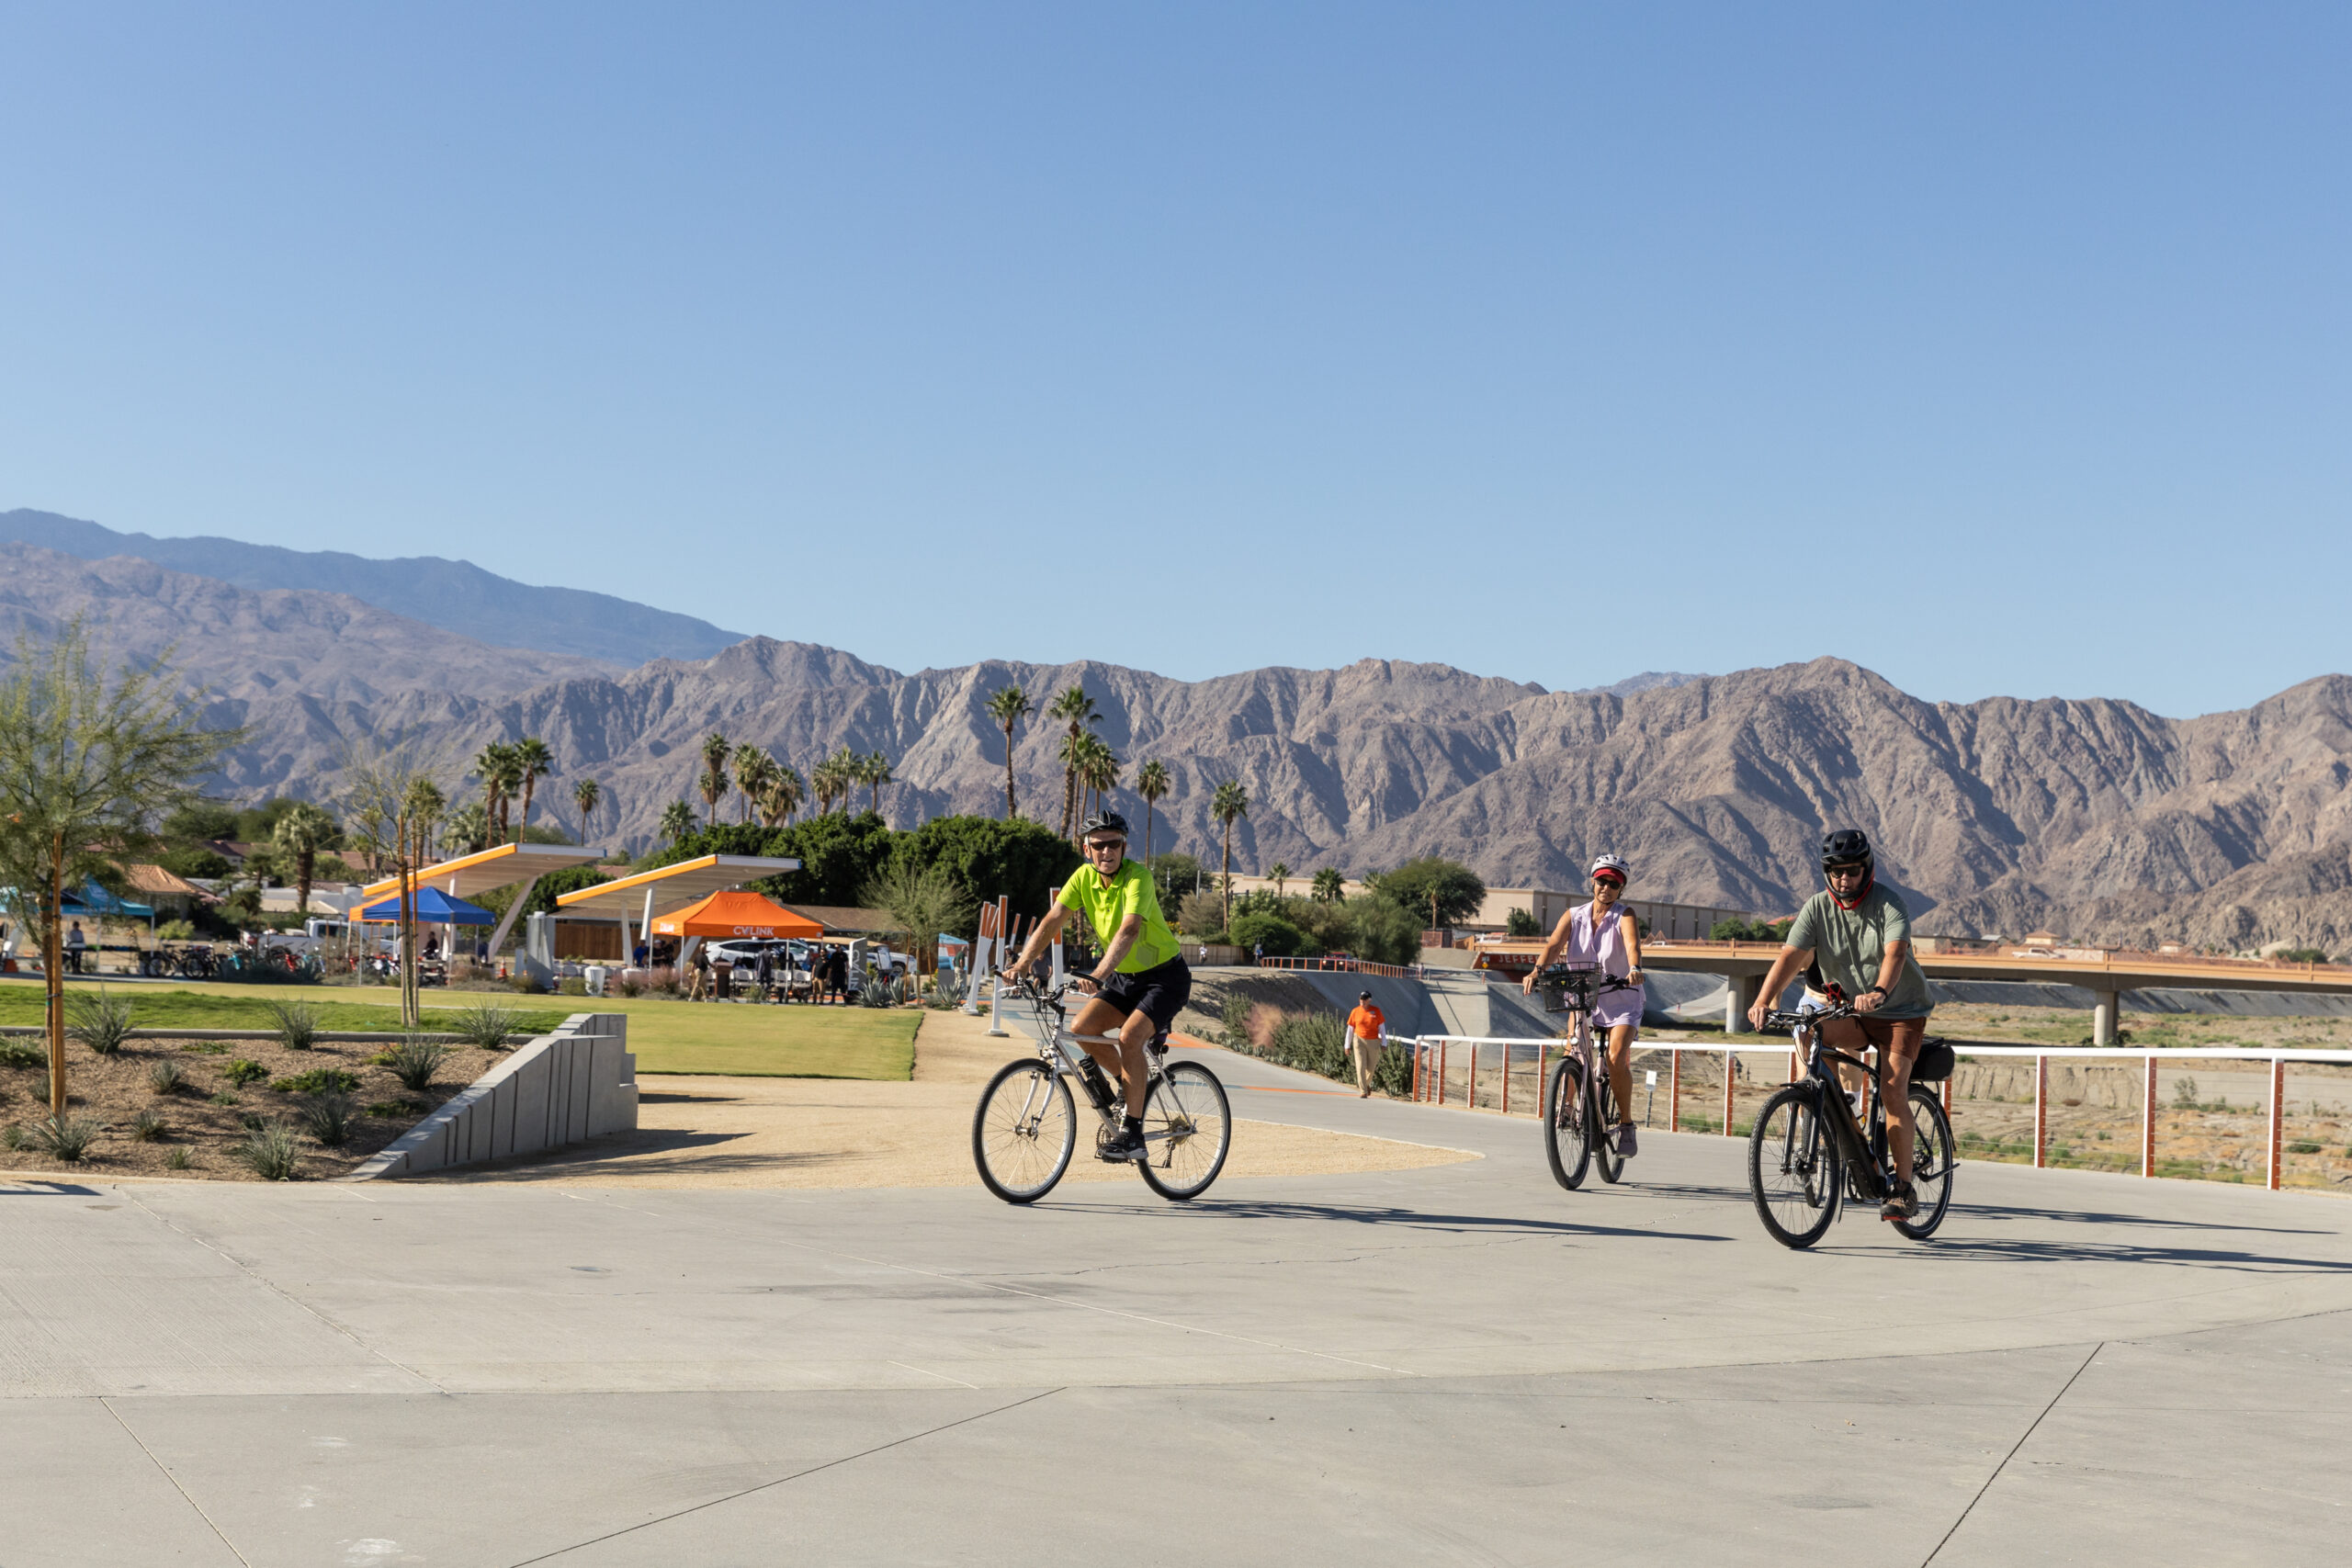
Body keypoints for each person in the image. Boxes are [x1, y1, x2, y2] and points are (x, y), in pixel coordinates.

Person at [1747, 829, 1934, 1222]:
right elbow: (1790, 956)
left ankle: (1903, 1189)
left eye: (1851, 870)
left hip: (1900, 1011)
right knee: (1809, 1032)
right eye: (1836, 872)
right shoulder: (1816, 907)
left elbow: (1895, 954)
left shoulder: (1889, 904)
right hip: (1853, 1012)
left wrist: (1880, 991)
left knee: (1892, 1090)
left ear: (1867, 869)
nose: (1843, 879)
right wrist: (1764, 999)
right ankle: (1847, 1130)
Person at [1001, 812, 1191, 1163]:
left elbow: (1129, 930)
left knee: (1129, 1037)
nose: (1107, 851)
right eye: (1099, 845)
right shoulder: (1083, 878)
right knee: (1081, 1029)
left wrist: (1099, 974)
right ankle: (1129, 1087)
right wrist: (1022, 965)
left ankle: (1133, 1136)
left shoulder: (1138, 877)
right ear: (1086, 849)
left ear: (1123, 846)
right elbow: (1052, 920)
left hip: (1165, 977)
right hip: (1125, 978)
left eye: (1114, 843)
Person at [1521, 854, 1647, 1157]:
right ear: (1593, 881)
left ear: (1621, 888)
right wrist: (1536, 972)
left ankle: (1626, 1125)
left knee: (1615, 1057)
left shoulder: (1624, 915)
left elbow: (1633, 945)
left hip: (1622, 996)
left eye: (1614, 883)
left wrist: (1634, 968)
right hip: (1583, 995)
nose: (1606, 887)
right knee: (1573, 1050)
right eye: (1602, 881)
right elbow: (1554, 945)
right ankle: (1567, 1107)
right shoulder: (1574, 915)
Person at [1344, 989, 1386, 1098]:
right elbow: (1350, 1029)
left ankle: (1366, 1084)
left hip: (1373, 1041)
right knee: (1360, 1066)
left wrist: (1384, 1043)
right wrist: (1347, 1045)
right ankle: (1363, 1091)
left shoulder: (1376, 1011)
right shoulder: (1355, 1011)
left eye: (1364, 999)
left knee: (1371, 1068)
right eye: (1361, 999)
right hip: (1359, 1040)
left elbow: (1382, 1029)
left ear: (1369, 1000)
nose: (1362, 1001)